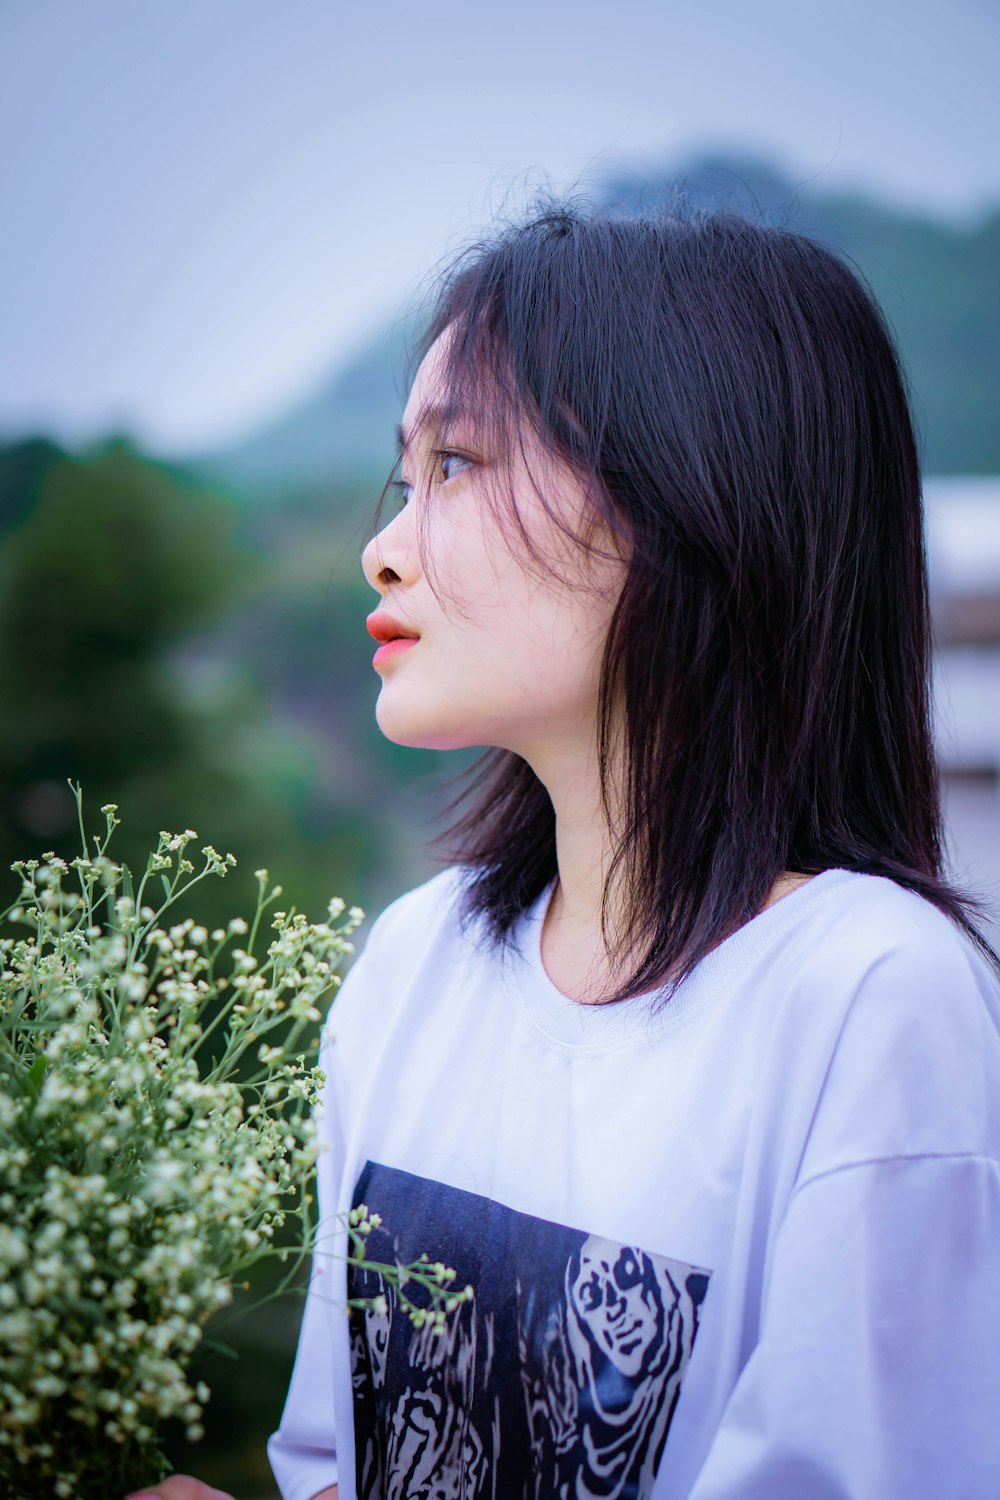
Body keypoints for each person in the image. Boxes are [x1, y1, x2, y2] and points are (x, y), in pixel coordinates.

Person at [137, 202, 1000, 1500]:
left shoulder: (873, 1000)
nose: (383, 549)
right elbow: (340, 1467)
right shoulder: (415, 964)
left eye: (460, 467)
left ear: (696, 491)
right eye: (404, 476)